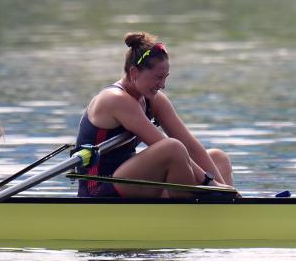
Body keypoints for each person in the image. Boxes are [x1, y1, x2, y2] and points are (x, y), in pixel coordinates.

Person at [74, 32, 234, 198]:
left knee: (218, 158)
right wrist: (212, 185)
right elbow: (166, 146)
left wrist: (224, 189)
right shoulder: (115, 99)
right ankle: (190, 215)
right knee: (173, 148)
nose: (163, 85)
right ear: (134, 73)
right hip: (99, 189)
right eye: (158, 78)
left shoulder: (152, 99)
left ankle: (227, 210)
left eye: (165, 78)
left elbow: (190, 145)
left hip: (132, 182)